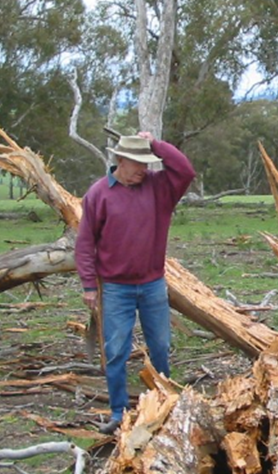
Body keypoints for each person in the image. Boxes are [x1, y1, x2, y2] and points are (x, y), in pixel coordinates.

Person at [75, 132, 196, 435]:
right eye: (138, 163)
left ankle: (163, 405)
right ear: (120, 160)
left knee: (160, 347)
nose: (144, 168)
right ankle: (119, 412)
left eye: (148, 162)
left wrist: (155, 144)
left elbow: (185, 170)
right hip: (116, 288)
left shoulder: (160, 188)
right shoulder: (98, 194)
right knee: (116, 351)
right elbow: (85, 242)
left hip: (153, 284)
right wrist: (89, 285)